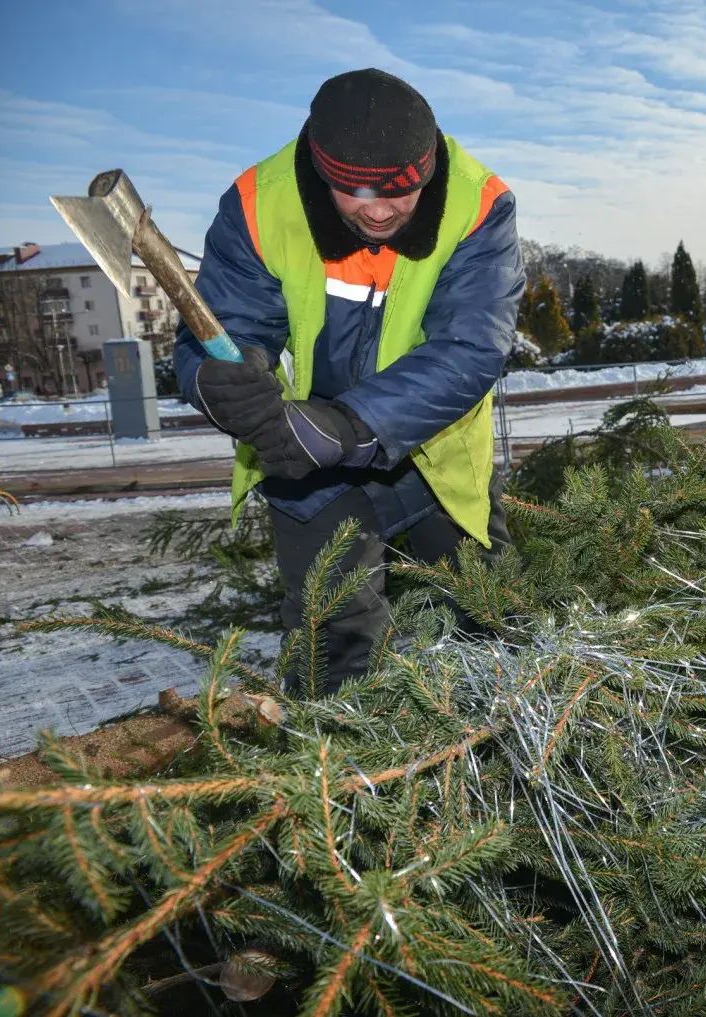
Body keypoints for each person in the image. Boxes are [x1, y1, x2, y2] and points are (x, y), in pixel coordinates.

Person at [174, 68, 525, 695]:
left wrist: (348, 424)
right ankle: (343, 779)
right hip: (303, 461)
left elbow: (470, 348)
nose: (383, 210)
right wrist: (217, 380)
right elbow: (227, 325)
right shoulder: (260, 203)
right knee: (333, 648)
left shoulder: (478, 204)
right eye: (359, 193)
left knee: (486, 620)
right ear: (321, 168)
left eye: (404, 191)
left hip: (434, 452)